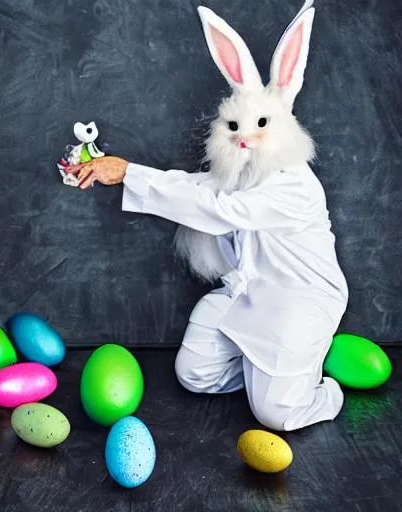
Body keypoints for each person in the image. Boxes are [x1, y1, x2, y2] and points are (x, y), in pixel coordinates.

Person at [65, 1, 348, 431]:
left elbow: (221, 210)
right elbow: (199, 188)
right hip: (247, 293)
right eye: (235, 128)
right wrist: (122, 173)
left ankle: (321, 387)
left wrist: (131, 175)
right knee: (196, 374)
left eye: (261, 126)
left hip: (298, 301)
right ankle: (267, 373)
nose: (245, 139)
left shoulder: (295, 184)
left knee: (278, 417)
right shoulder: (242, 174)